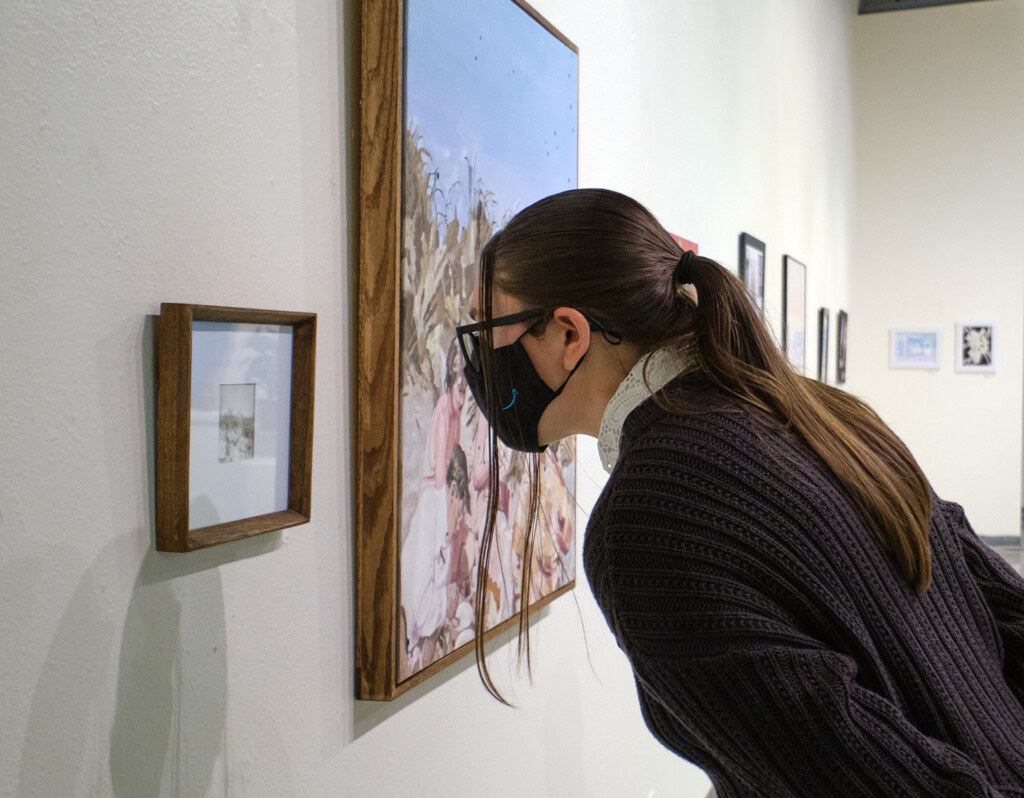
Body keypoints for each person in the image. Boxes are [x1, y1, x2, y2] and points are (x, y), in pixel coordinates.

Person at [454, 188, 1024, 797]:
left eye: (486, 334)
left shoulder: (646, 514)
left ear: (569, 333)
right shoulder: (822, 411)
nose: (477, 363)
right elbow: (1006, 614)